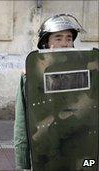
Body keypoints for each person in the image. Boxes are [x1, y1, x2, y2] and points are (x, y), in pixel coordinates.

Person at [14, 13, 85, 170]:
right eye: (58, 38)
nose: (65, 43)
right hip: (45, 150)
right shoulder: (31, 75)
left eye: (69, 38)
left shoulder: (85, 72)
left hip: (77, 149)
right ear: (46, 43)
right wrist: (22, 162)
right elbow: (21, 122)